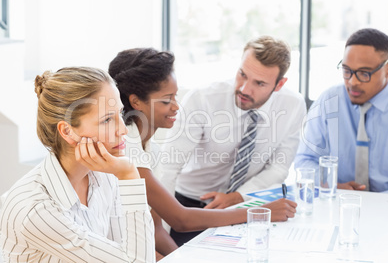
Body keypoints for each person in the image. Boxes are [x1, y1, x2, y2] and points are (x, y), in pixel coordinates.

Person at [108, 47, 298, 249]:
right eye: (167, 100)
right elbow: (180, 220)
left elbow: (156, 228)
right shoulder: (125, 147)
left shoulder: (152, 151)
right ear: (136, 101)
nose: (176, 107)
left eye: (175, 96)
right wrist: (259, 212)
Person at [157, 35, 307, 245]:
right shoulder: (203, 99)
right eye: (242, 74)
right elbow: (167, 169)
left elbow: (279, 168)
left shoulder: (293, 105)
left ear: (279, 84)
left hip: (248, 202)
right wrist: (159, 235)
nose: (245, 89)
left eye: (260, 83)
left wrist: (237, 197)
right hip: (191, 205)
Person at [0, 67, 155, 262]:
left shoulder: (105, 175)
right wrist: (130, 175)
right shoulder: (35, 209)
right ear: (67, 132)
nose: (123, 130)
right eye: (107, 120)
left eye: (120, 114)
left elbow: (128, 250)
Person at [294, 28, 388, 193]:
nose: (352, 82)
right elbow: (305, 160)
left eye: (364, 73)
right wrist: (331, 185)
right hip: (339, 202)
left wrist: (377, 203)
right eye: (346, 71)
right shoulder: (330, 100)